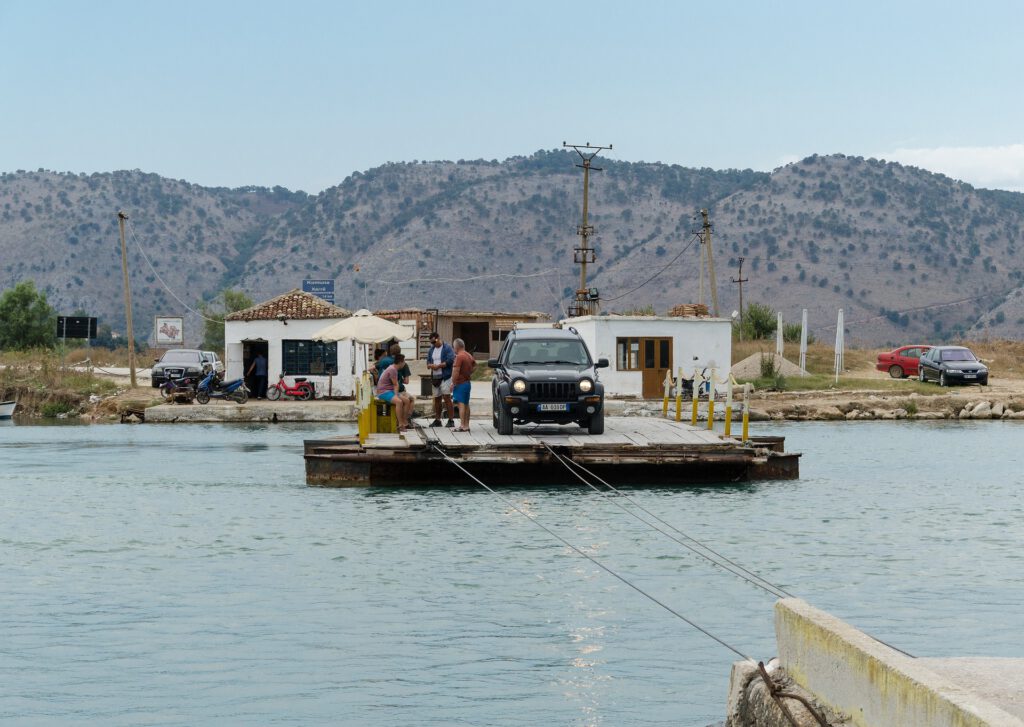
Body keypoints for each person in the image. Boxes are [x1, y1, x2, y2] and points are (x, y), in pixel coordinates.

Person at [425, 332, 455, 428]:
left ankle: (451, 420)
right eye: (432, 342)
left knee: (447, 398)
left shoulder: (447, 348)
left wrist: (439, 365)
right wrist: (431, 366)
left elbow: (450, 360)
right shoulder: (431, 350)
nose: (433, 344)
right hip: (435, 377)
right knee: (437, 399)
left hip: (445, 376)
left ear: (438, 338)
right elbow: (428, 362)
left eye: (434, 341)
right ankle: (438, 420)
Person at [375, 352, 412, 431]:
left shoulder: (393, 368)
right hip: (383, 392)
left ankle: (404, 421)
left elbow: (395, 385)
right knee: (399, 402)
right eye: (404, 362)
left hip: (390, 390)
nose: (404, 363)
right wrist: (396, 395)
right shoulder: (392, 369)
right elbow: (396, 385)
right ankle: (400, 424)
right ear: (400, 362)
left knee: (407, 401)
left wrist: (396, 394)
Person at [450, 338, 475, 432]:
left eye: (453, 347)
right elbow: (475, 366)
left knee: (461, 404)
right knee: (466, 404)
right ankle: (467, 425)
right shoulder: (469, 355)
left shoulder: (459, 356)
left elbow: (455, 371)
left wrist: (453, 383)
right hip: (467, 383)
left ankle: (462, 426)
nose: (453, 349)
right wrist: (468, 374)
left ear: (456, 347)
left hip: (460, 383)